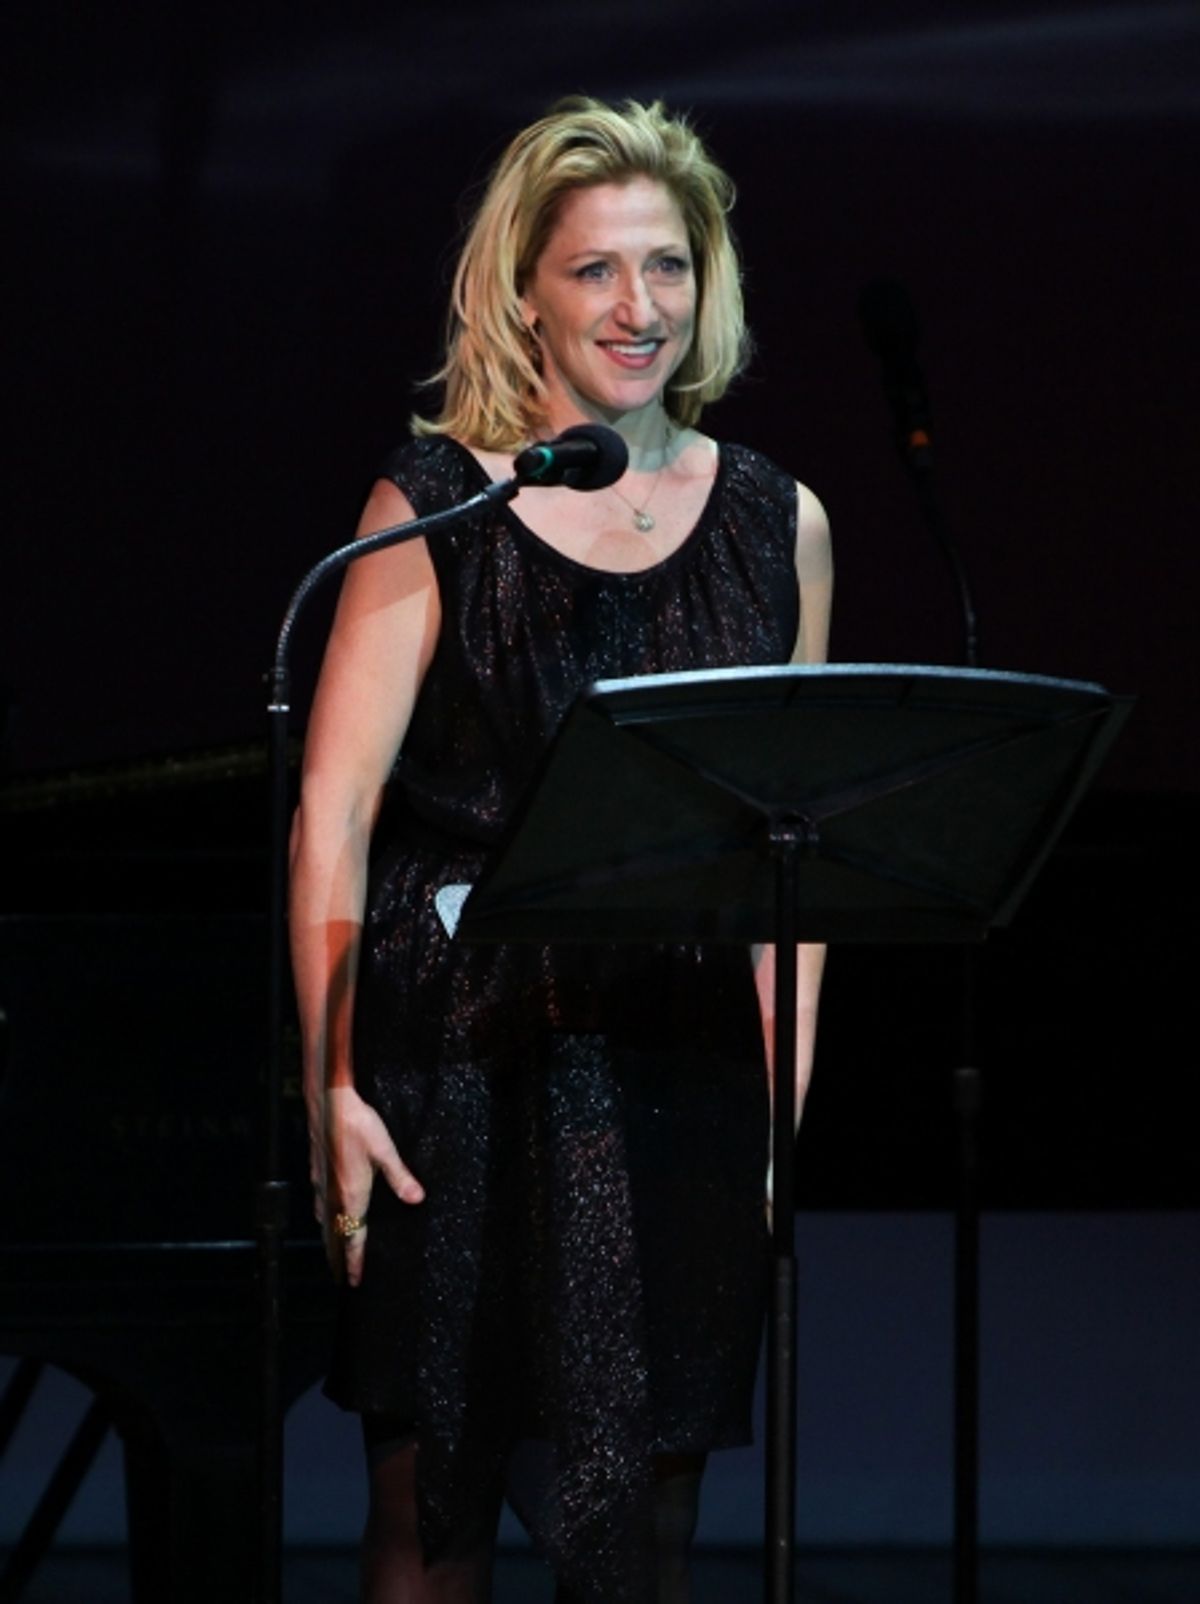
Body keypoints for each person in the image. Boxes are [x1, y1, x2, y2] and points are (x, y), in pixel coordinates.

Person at [289, 96, 832, 1604]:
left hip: (677, 1065)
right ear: (524, 291)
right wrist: (330, 1085)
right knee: (431, 1520)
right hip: (457, 1057)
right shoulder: (433, 504)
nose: (637, 306)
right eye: (595, 269)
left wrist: (783, 1111)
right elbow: (335, 812)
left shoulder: (776, 520)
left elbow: (787, 850)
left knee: (651, 1532)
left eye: (667, 266)